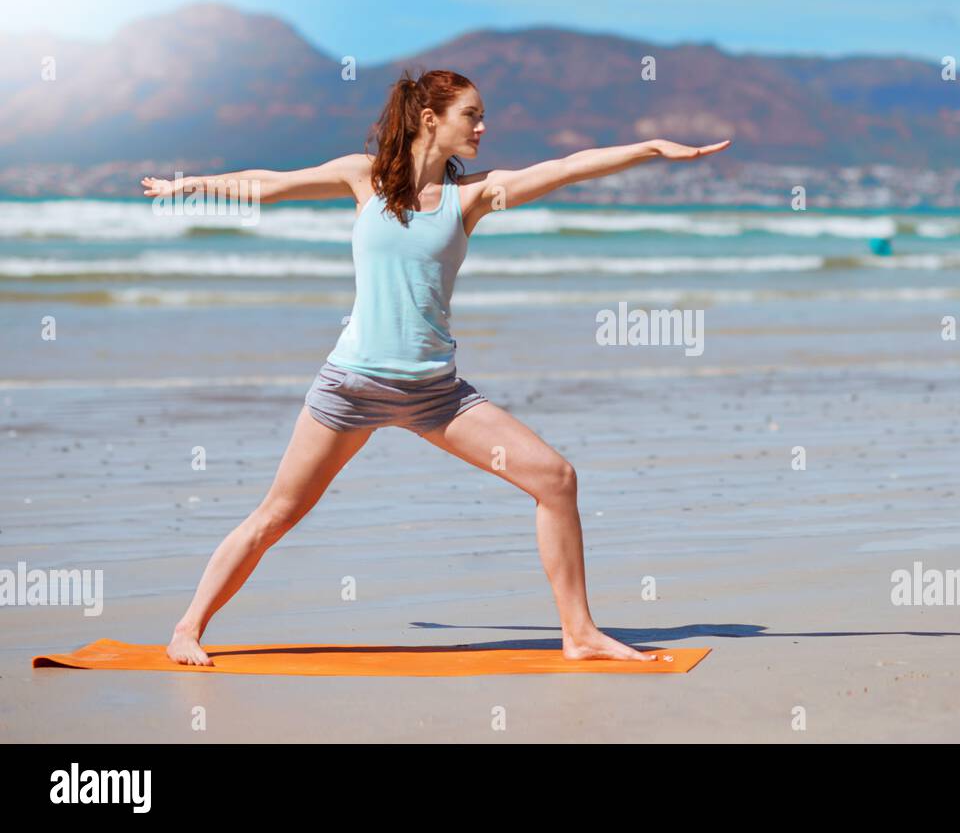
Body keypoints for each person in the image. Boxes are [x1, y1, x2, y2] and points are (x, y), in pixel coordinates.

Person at [140, 68, 731, 666]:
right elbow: (269, 184)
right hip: (350, 389)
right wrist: (189, 187)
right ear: (431, 120)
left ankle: (578, 632)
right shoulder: (362, 178)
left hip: (436, 397)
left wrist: (650, 149)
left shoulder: (472, 196)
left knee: (555, 479)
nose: (482, 125)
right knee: (276, 515)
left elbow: (565, 168)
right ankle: (187, 627)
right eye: (471, 114)